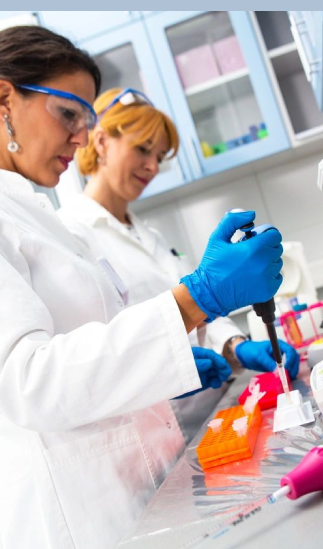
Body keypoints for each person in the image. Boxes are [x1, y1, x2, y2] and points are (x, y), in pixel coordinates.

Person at [0, 26, 283, 549]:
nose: (82, 137)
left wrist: (168, 368)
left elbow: (95, 347)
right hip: (76, 515)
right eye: (69, 114)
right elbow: (28, 381)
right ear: (4, 100)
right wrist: (195, 298)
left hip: (142, 487)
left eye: (88, 120)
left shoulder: (38, 214)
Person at [57, 87, 300, 440]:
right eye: (142, 150)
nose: (153, 167)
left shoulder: (149, 235)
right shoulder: (72, 235)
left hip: (211, 419)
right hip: (154, 434)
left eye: (159, 156)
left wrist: (236, 346)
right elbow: (100, 355)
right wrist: (162, 376)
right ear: (100, 142)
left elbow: (192, 310)